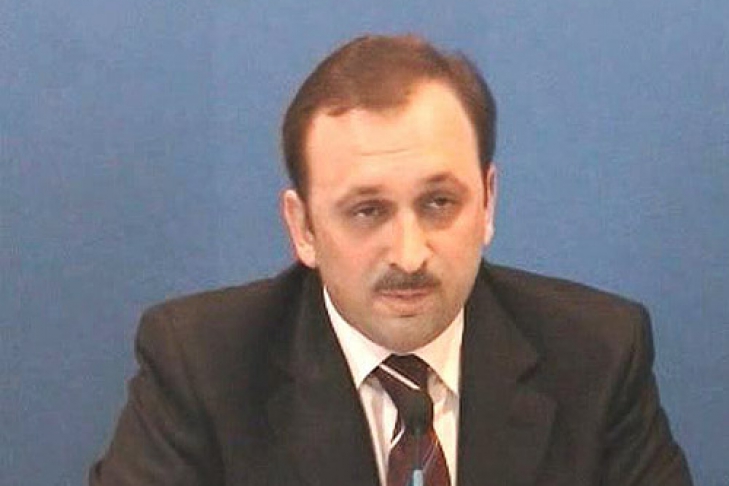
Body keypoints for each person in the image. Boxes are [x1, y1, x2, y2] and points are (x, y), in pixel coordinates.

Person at [89, 34, 692, 486]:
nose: (409, 254)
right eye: (367, 211)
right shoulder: (203, 366)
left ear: (487, 202)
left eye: (439, 203)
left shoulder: (597, 354)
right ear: (303, 228)